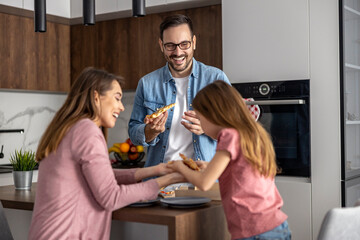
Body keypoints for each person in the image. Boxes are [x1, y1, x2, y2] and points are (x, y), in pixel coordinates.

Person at [28, 67, 184, 240]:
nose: (122, 107)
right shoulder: (87, 130)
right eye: (117, 98)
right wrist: (166, 180)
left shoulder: (69, 128)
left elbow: (100, 176)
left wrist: (156, 170)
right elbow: (110, 197)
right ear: (96, 97)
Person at [166, 80, 291, 240]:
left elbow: (204, 183)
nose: (200, 124)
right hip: (275, 226)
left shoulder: (228, 135)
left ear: (213, 114)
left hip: (255, 231)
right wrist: (209, 166)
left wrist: (179, 166)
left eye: (200, 117)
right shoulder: (251, 133)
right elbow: (242, 170)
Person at [128, 14, 230, 168]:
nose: (178, 52)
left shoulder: (216, 78)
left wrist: (208, 128)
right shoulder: (146, 83)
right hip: (160, 183)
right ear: (161, 45)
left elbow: (237, 130)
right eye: (170, 45)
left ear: (194, 42)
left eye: (184, 44)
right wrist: (150, 132)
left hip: (204, 182)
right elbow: (133, 131)